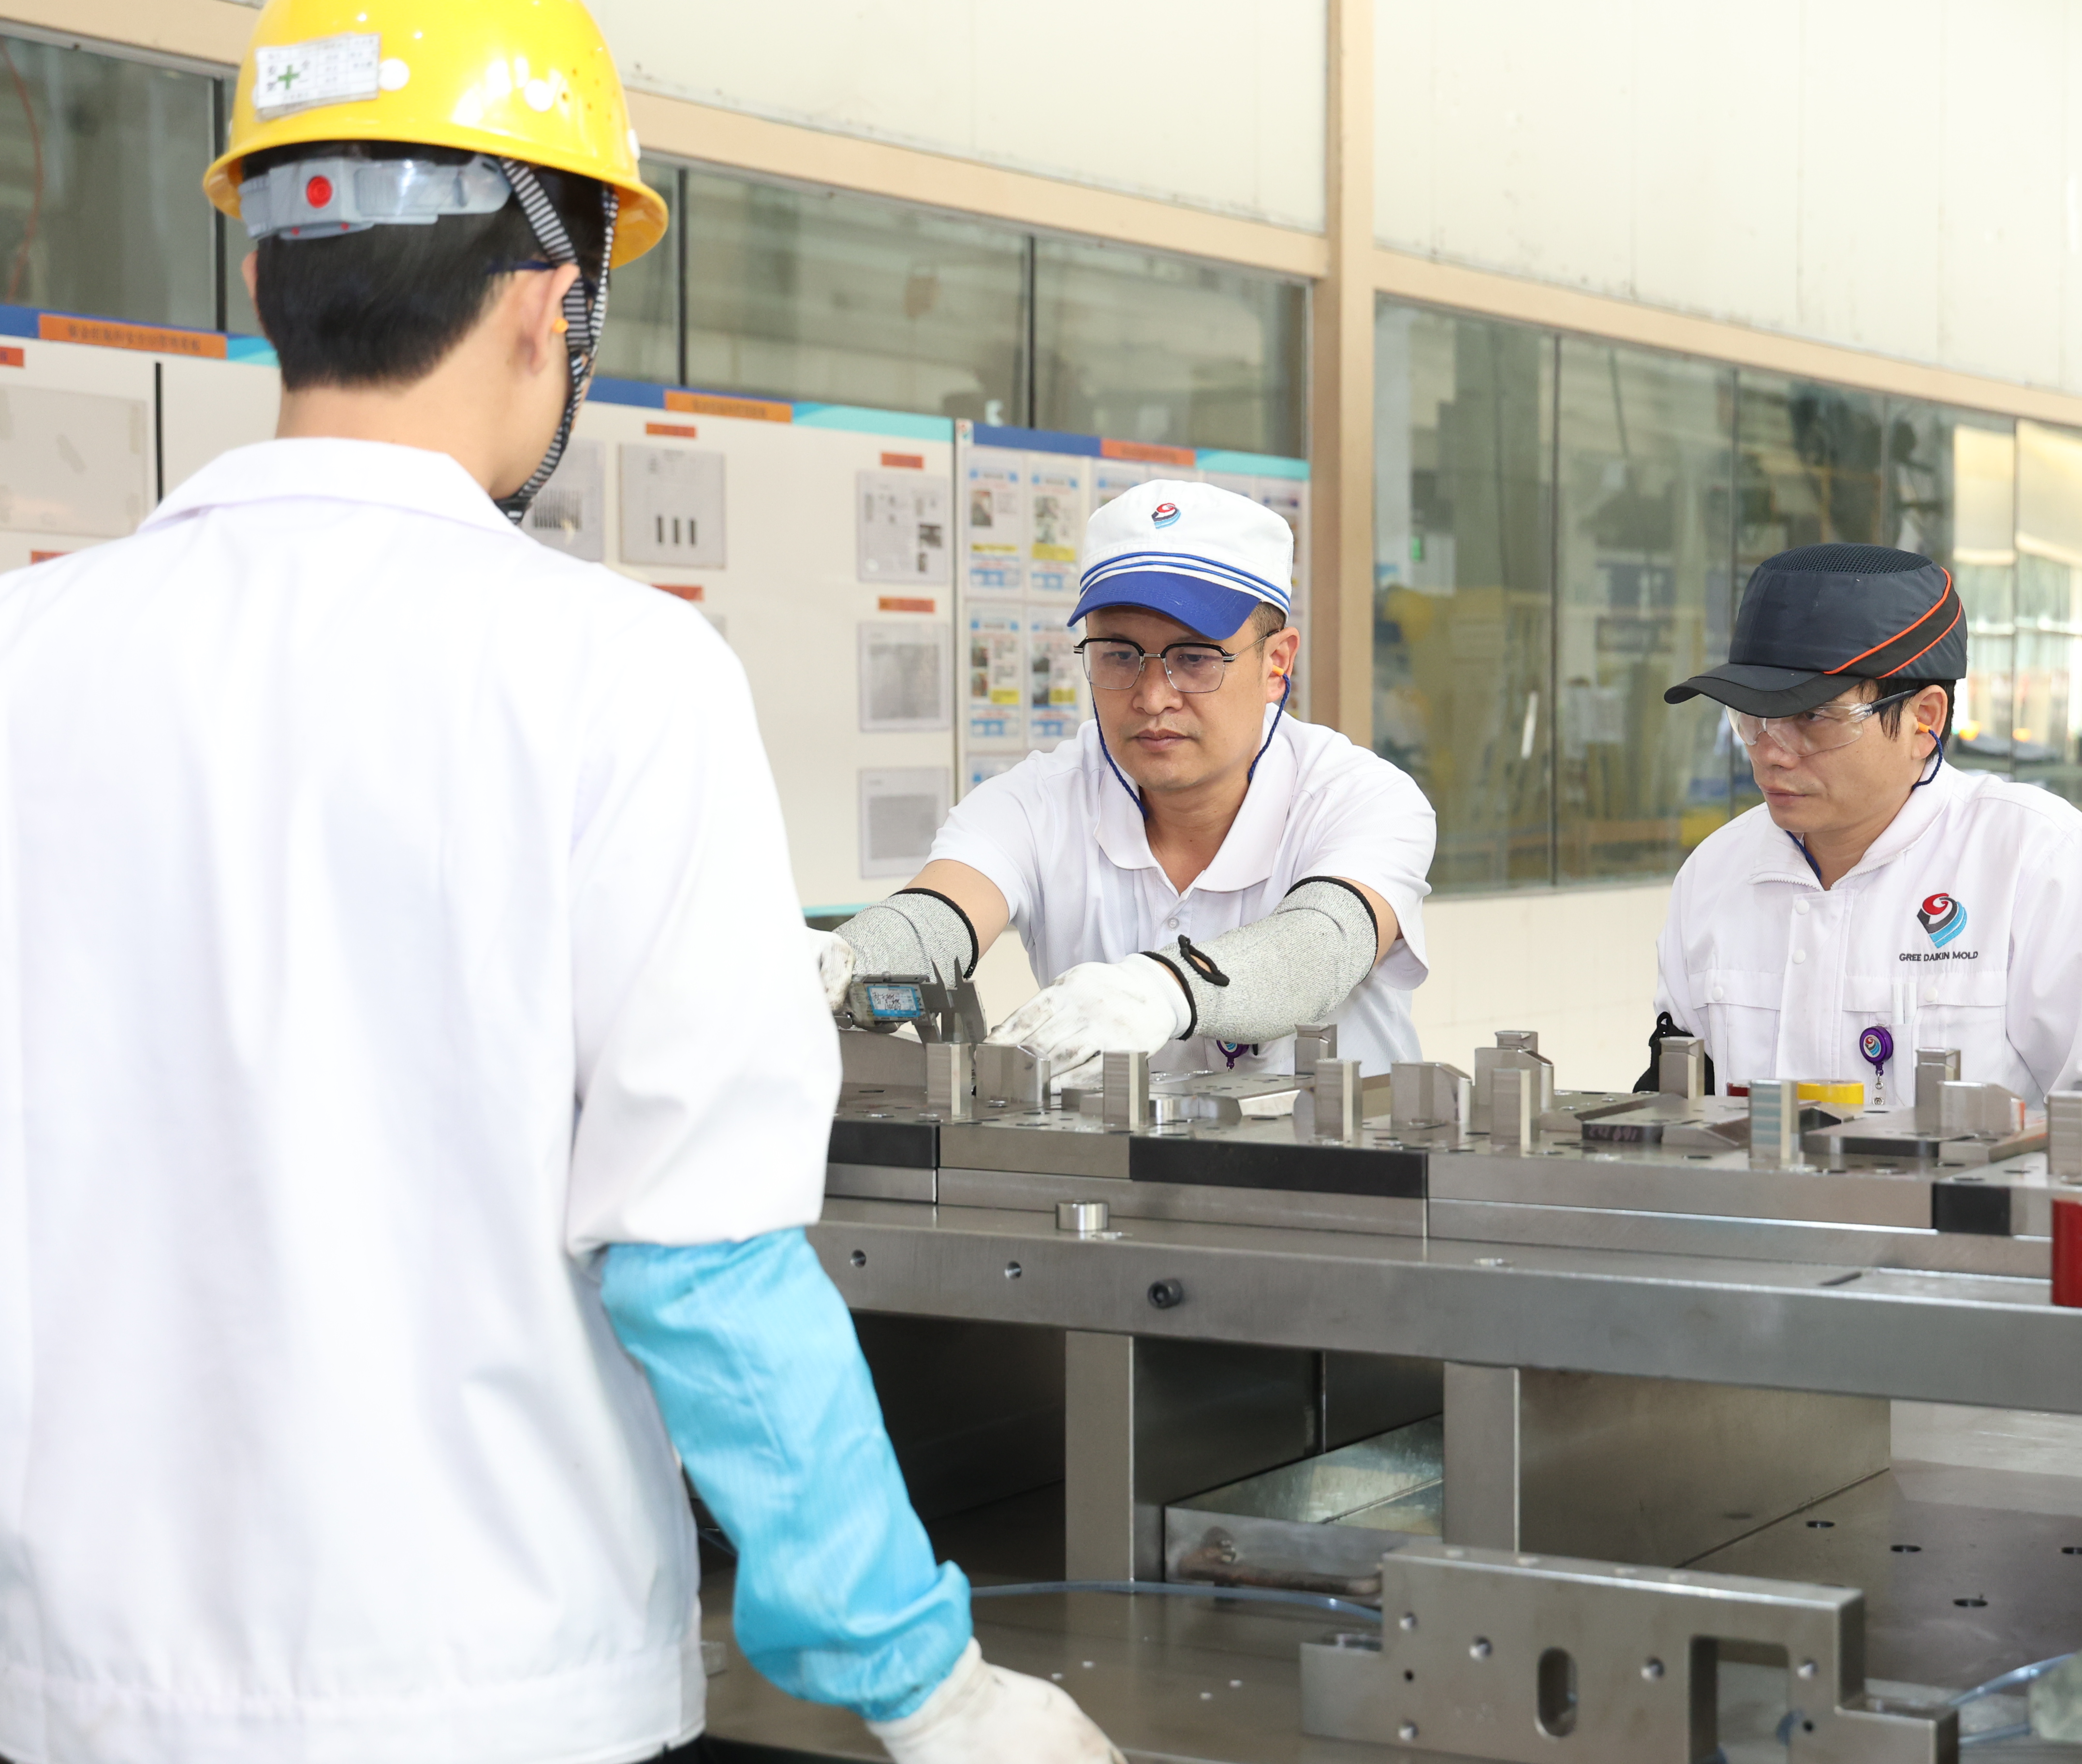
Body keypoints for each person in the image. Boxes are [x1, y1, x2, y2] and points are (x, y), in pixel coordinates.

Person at [0, 3, 1117, 1761]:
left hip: (67, 1689)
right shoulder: (614, 678)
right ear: (552, 303)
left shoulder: (29, 655)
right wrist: (929, 1682)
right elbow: (703, 1268)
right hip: (489, 1691)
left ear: (272, 275)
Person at [831, 480, 1436, 1083]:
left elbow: (1321, 947)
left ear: (1276, 663)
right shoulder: (1039, 800)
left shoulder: (1361, 799)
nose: (1152, 698)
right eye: (1119, 655)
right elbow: (933, 919)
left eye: (1194, 657)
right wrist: (840, 963)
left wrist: (1164, 989)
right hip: (1113, 1175)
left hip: (1339, 1174)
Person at [1646, 543, 2082, 1106]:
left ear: (1924, 719)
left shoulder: (2034, 860)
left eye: (1812, 717)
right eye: (1752, 718)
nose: (1772, 752)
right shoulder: (1714, 873)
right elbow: (1675, 1104)